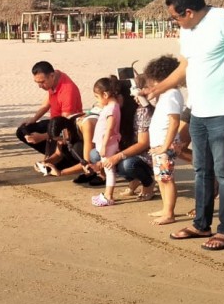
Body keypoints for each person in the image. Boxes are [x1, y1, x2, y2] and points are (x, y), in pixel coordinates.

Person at [145, 0, 224, 248]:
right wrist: (158, 88)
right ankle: (201, 224)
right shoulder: (187, 31)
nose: (175, 22)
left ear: (189, 11)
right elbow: (186, 66)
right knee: (202, 170)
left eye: (176, 17)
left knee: (223, 171)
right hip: (198, 109)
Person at [143, 55, 184, 225]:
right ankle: (165, 208)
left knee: (167, 178)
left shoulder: (173, 93)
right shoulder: (166, 94)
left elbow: (174, 121)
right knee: (161, 178)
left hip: (164, 144)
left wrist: (165, 146)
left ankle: (169, 212)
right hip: (159, 144)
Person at [100, 77, 155, 198]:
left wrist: (117, 156)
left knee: (127, 165)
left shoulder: (142, 111)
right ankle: (134, 180)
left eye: (117, 95)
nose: (114, 99)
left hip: (146, 154)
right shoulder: (116, 109)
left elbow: (143, 143)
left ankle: (148, 183)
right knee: (96, 155)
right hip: (128, 150)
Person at [16, 61, 83, 155]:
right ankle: (51, 155)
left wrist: (43, 137)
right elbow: (46, 104)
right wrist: (33, 119)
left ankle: (59, 158)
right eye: (37, 82)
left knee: (49, 140)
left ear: (52, 76)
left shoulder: (67, 91)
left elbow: (65, 125)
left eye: (42, 82)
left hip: (68, 129)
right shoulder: (54, 78)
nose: (40, 86)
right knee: (23, 131)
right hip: (54, 123)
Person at [90, 76, 121, 207]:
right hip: (107, 142)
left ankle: (109, 195)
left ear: (105, 94)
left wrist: (103, 145)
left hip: (108, 143)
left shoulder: (111, 109)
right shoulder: (113, 106)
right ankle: (108, 194)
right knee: (108, 168)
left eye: (97, 97)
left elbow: (109, 128)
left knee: (109, 169)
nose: (97, 100)